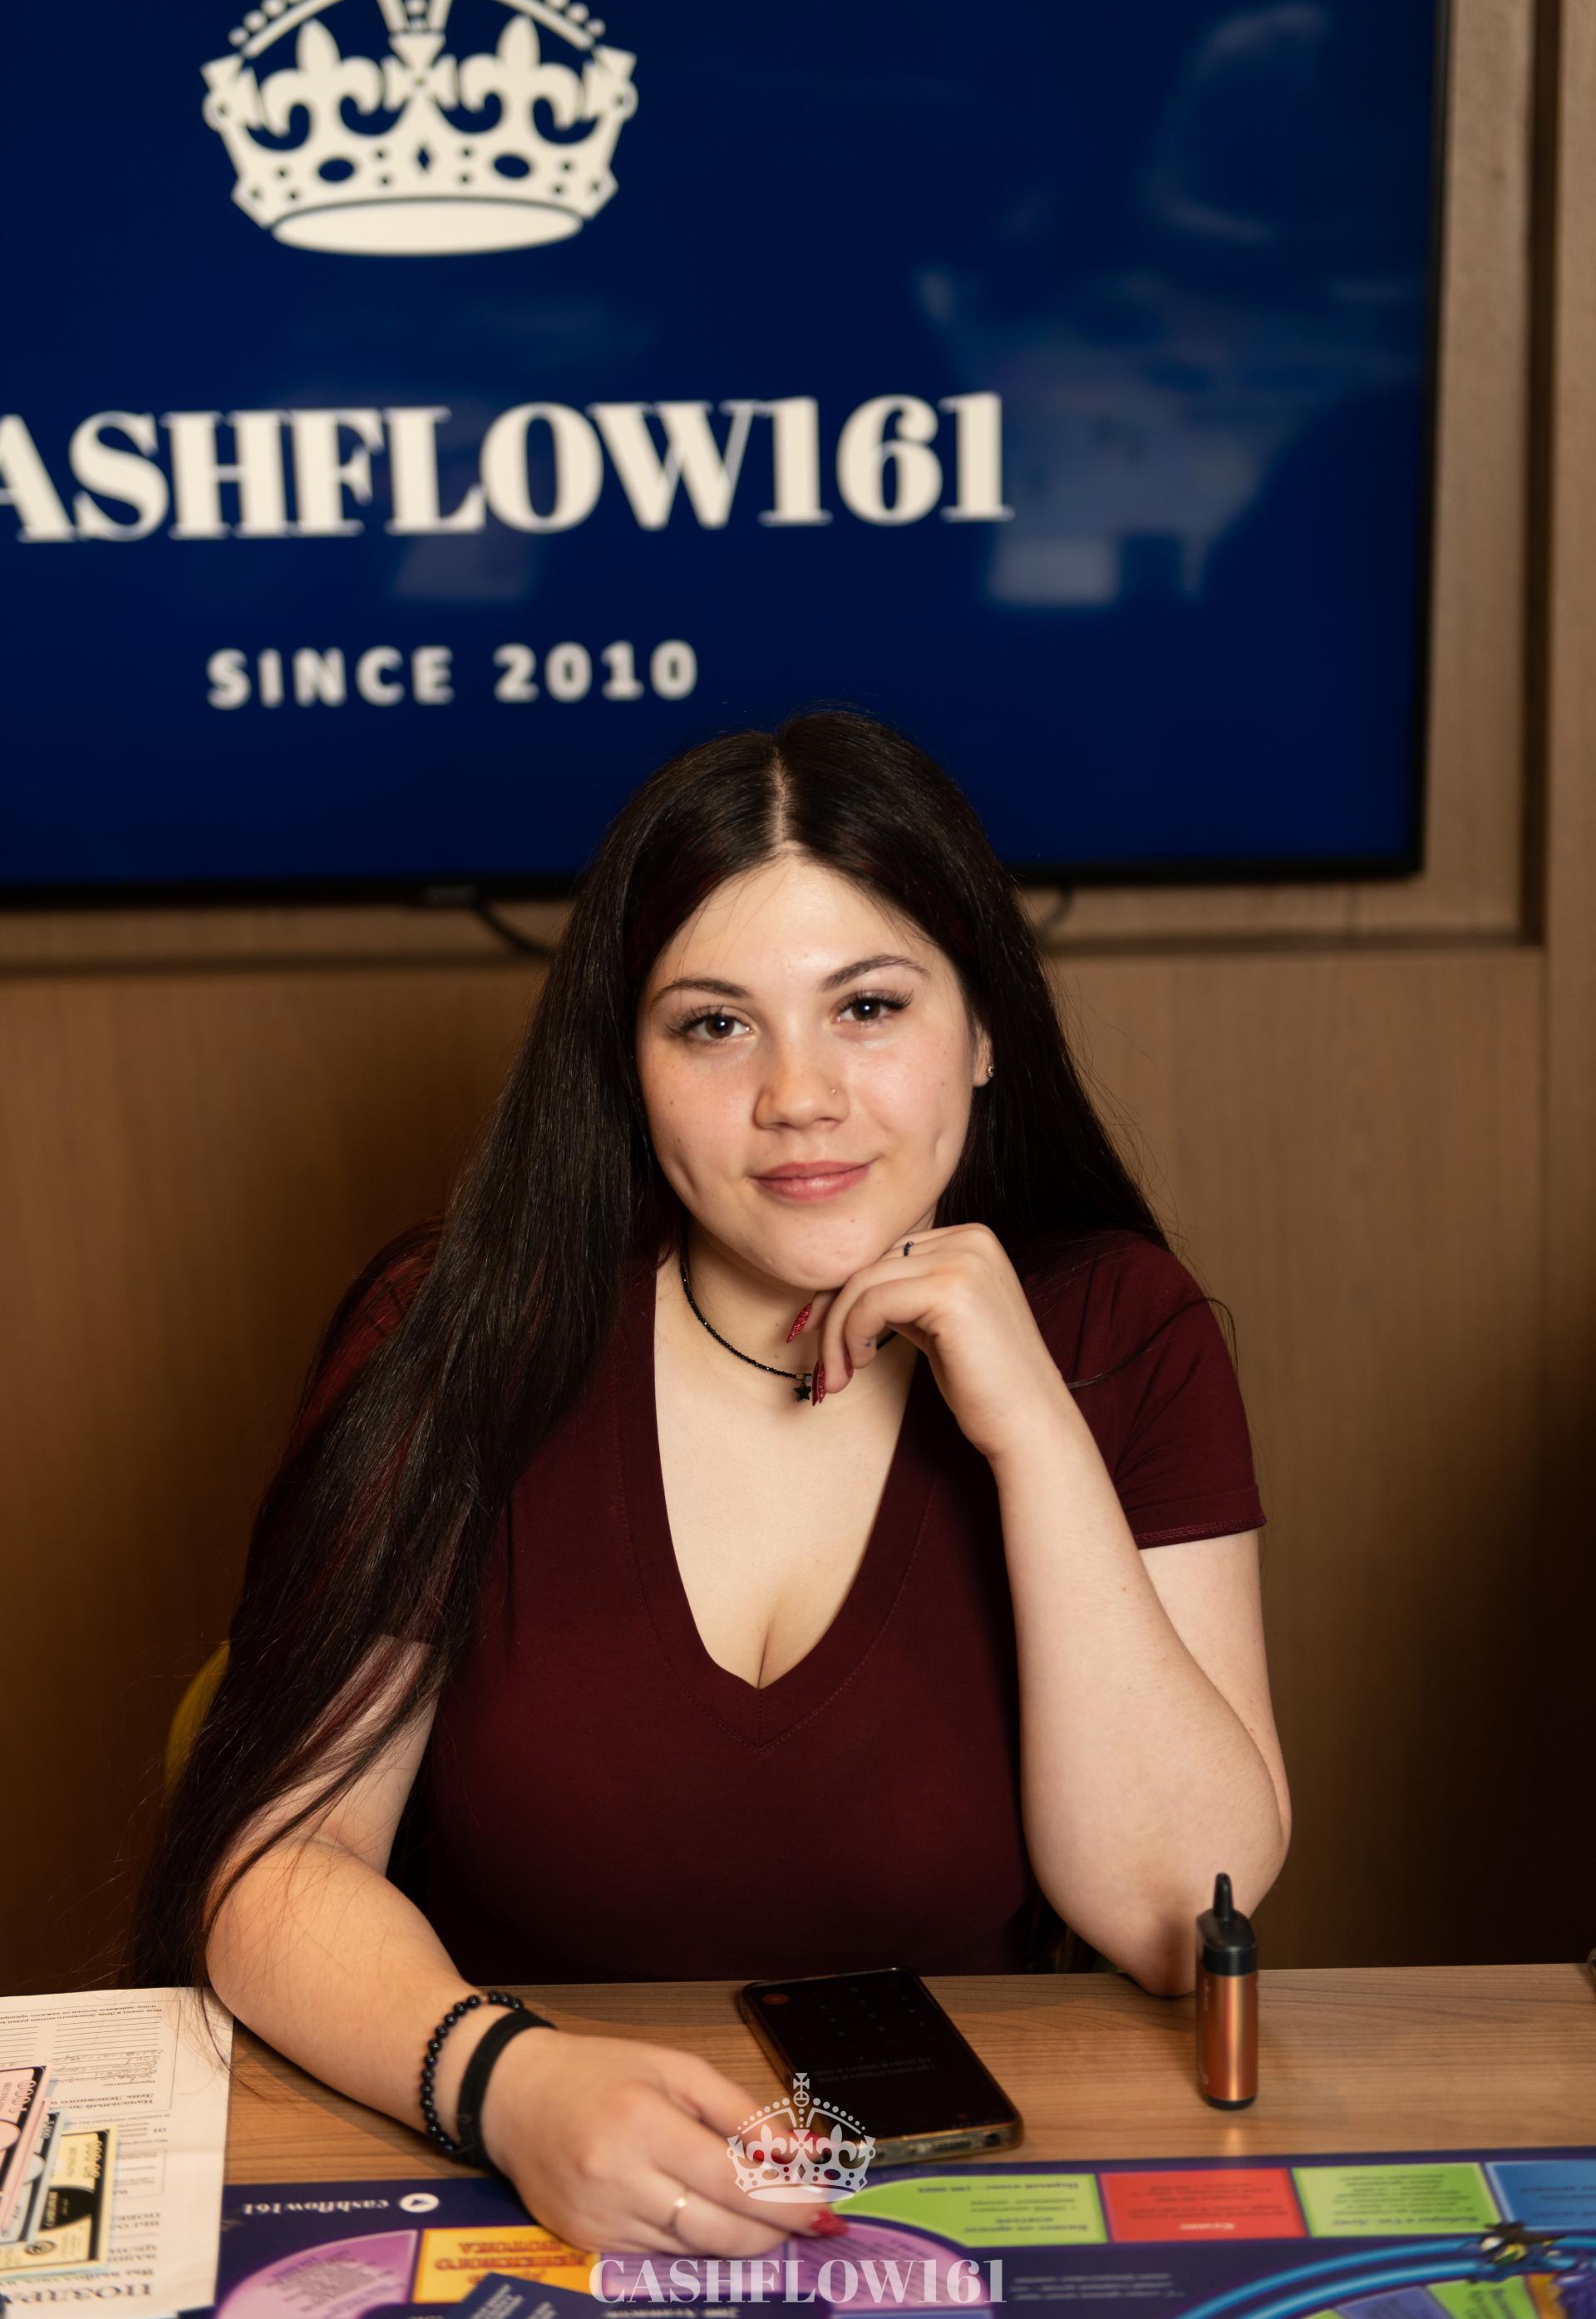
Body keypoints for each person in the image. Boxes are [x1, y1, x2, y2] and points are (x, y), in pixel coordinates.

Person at [129, 705, 1289, 2257]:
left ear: (984, 1028)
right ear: (629, 1061)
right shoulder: (456, 1332)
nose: (799, 1093)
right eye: (714, 1024)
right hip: (515, 2183)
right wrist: (504, 2085)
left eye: (868, 1005)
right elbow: (277, 1861)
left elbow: (1176, 1913)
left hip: (942, 2213)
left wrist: (1033, 1430)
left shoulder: (1117, 1326)